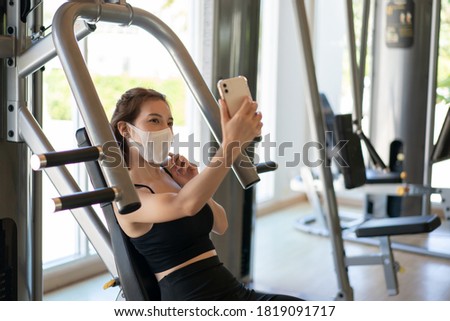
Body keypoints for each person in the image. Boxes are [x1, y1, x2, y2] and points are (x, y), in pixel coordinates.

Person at [110, 87, 302, 301]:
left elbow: (220, 224)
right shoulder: (126, 196)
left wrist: (191, 182)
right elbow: (184, 206)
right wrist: (230, 145)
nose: (165, 129)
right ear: (125, 129)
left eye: (170, 122)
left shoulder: (171, 175)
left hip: (232, 291)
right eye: (154, 121)